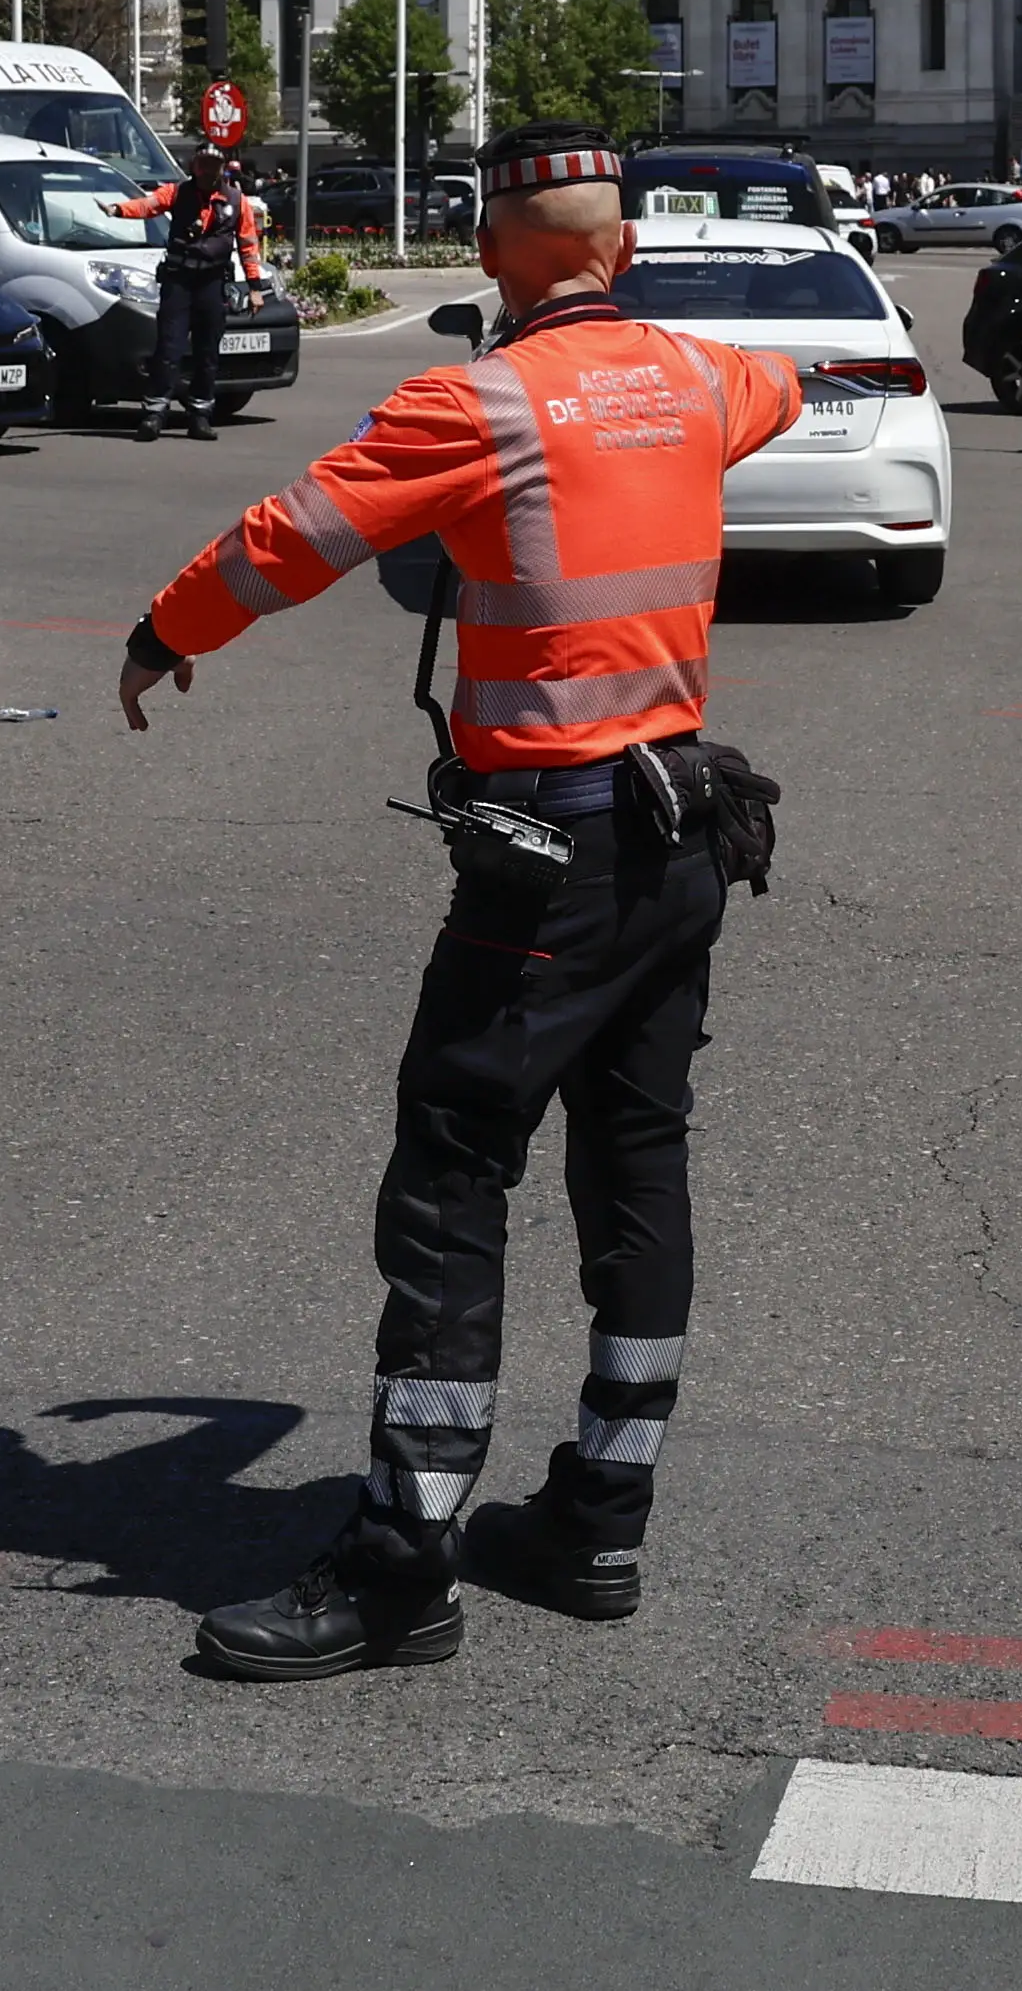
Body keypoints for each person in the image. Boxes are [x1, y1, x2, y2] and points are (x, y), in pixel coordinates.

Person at [117, 121, 811, 1681]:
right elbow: (778, 385)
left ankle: (400, 1564)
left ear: (493, 255)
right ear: (626, 250)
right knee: (637, 1168)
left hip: (550, 857)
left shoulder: (477, 403)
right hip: (687, 834)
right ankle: (598, 1523)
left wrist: (166, 633)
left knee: (450, 1178)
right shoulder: (703, 385)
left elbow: (292, 538)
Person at [115, 132, 251, 437]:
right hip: (179, 281)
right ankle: (154, 413)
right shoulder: (177, 193)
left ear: (222, 168)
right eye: (203, 164)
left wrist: (254, 287)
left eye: (214, 165)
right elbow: (148, 205)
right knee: (169, 348)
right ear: (194, 166)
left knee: (207, 352)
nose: (208, 170)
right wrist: (118, 210)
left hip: (212, 282)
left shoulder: (236, 200)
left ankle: (200, 415)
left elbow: (248, 245)